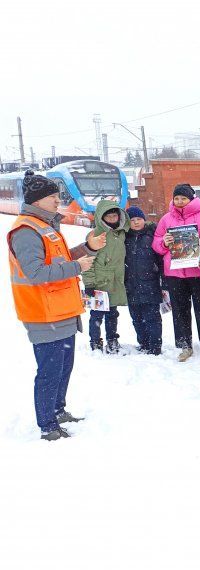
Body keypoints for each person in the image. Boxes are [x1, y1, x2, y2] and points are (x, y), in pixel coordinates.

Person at [8, 170, 106, 440]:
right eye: (52, 196)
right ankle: (48, 425)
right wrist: (77, 267)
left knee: (63, 367)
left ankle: (58, 410)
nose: (57, 200)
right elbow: (37, 273)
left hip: (61, 310)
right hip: (43, 312)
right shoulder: (26, 230)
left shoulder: (46, 225)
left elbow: (58, 259)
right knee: (50, 371)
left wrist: (88, 247)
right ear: (37, 200)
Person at [152, 184, 200, 361]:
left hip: (199, 272)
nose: (180, 201)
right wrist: (164, 243)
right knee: (180, 311)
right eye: (177, 198)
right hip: (174, 274)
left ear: (191, 198)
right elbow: (156, 243)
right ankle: (184, 345)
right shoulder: (166, 219)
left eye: (183, 198)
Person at [82, 200, 129, 353]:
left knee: (113, 314)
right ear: (101, 218)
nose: (112, 219)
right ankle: (95, 341)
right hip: (99, 283)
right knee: (96, 315)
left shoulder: (121, 233)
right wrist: (89, 283)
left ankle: (112, 339)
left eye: (115, 216)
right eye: (108, 217)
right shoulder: (95, 235)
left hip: (115, 281)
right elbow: (87, 260)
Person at [124, 206, 164, 355]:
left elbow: (161, 260)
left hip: (150, 284)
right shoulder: (124, 238)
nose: (135, 223)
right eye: (132, 220)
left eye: (139, 219)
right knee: (137, 318)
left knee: (152, 318)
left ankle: (155, 346)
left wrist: (163, 280)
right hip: (131, 285)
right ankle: (144, 343)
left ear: (144, 220)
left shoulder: (152, 236)